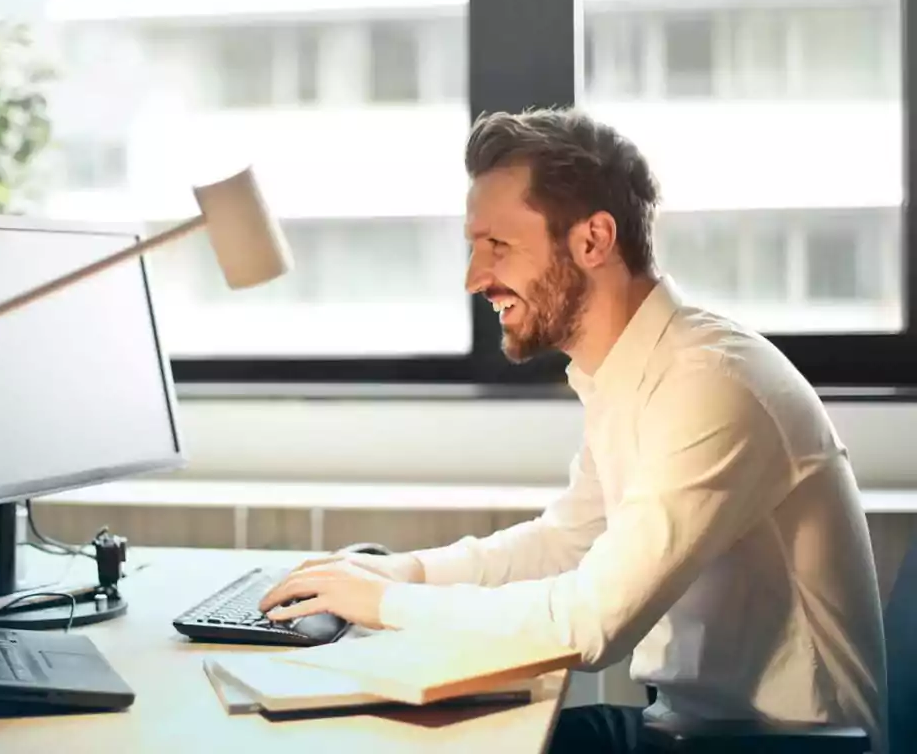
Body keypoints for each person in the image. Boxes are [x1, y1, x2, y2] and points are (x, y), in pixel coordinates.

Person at [259, 107, 888, 753]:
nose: (475, 278)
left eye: (497, 246)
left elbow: (591, 624)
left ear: (593, 241)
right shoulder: (635, 372)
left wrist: (383, 605)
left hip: (777, 747)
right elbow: (568, 543)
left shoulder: (712, 385)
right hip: (682, 730)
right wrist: (402, 573)